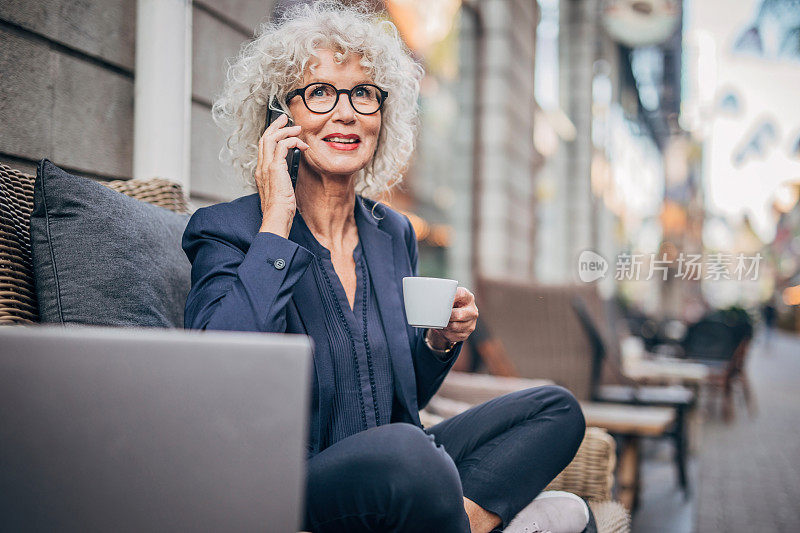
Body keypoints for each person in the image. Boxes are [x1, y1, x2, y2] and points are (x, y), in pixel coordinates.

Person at [182, 2, 588, 532]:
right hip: (293, 479)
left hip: (401, 462)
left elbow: (401, 398)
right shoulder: (229, 230)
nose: (346, 113)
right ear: (280, 117)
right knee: (409, 451)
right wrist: (276, 223)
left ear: (382, 116)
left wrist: (439, 343)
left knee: (556, 409)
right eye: (320, 92)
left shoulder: (392, 232)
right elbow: (216, 378)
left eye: (363, 94)